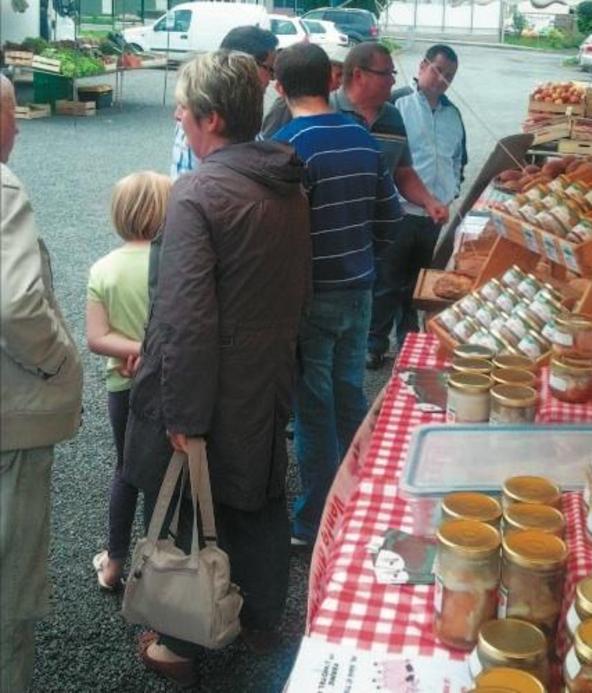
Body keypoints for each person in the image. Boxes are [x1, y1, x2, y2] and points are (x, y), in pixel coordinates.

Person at [123, 51, 311, 687]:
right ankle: (261, 620)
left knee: (186, 504)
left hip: (213, 380)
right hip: (266, 371)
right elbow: (297, 285)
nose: (177, 115)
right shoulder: (286, 181)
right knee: (256, 495)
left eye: (183, 107)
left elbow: (184, 318)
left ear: (210, 117)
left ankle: (180, 642)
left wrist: (183, 411)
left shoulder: (198, 191)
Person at [271, 43, 402, 547]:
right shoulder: (363, 137)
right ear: (331, 79)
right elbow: (389, 217)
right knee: (350, 396)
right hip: (359, 288)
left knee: (313, 407)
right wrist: (363, 258)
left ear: (279, 88)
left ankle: (313, 521)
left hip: (311, 298)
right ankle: (357, 503)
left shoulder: (284, 144)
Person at [0, 74, 83, 693]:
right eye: (11, 112)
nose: (20, 126)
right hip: (9, 421)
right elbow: (18, 307)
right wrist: (60, 362)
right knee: (8, 600)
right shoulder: (1, 188)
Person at [326, 42, 449, 369]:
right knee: (323, 342)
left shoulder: (393, 117)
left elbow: (403, 173)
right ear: (358, 75)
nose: (393, 81)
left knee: (363, 317)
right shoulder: (325, 111)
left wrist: (430, 201)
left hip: (373, 244)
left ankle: (357, 370)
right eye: (386, 74)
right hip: (331, 250)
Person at [86, 171, 171, 590]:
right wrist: (151, 353)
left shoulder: (104, 269)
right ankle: (156, 570)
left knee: (126, 468)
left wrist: (132, 351)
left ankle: (115, 562)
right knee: (162, 472)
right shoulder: (175, 264)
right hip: (167, 384)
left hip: (122, 388)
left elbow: (96, 338)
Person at [372, 44, 467, 364]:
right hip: (398, 210)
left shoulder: (453, 114)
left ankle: (408, 341)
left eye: (450, 76)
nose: (443, 80)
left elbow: (458, 159)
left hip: (433, 215)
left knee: (420, 283)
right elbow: (382, 159)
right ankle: (374, 344)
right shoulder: (396, 105)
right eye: (438, 71)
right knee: (387, 282)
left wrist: (451, 191)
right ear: (423, 65)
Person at [170, 25, 278, 179]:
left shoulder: (226, 110)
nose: (272, 79)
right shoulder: (199, 122)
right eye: (269, 69)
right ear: (246, 65)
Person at [261, 44, 348, 139]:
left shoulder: (337, 101)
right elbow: (266, 140)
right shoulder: (284, 105)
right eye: (338, 75)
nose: (341, 81)